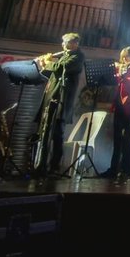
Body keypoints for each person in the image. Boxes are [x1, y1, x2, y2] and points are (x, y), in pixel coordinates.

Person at [32, 32, 85, 175]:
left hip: (62, 99)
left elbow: (63, 68)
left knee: (57, 134)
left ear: (74, 43)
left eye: (65, 42)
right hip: (51, 98)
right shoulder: (64, 56)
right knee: (45, 133)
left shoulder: (78, 57)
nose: (62, 45)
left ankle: (54, 166)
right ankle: (40, 165)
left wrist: (49, 62)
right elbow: (51, 73)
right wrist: (43, 64)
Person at [103, 45, 130, 179]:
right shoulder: (125, 68)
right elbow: (117, 81)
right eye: (123, 57)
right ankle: (114, 168)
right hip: (120, 105)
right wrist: (117, 72)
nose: (125, 59)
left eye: (127, 56)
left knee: (126, 136)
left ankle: (129, 169)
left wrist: (121, 73)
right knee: (117, 137)